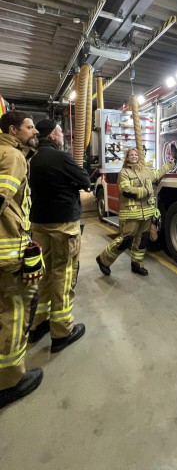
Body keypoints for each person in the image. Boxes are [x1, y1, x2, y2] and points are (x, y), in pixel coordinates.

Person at [28, 119, 91, 353]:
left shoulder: (31, 158)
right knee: (63, 273)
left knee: (42, 274)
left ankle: (39, 324)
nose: (63, 135)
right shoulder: (61, 158)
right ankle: (62, 332)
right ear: (53, 136)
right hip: (63, 223)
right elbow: (85, 181)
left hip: (38, 223)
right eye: (60, 132)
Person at [0, 111, 43, 409]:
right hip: (7, 252)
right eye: (29, 127)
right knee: (14, 312)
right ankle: (10, 380)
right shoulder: (13, 157)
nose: (33, 131)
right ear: (14, 130)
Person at [96, 147, 174, 277]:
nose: (134, 156)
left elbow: (158, 173)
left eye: (136, 154)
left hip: (146, 214)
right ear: (127, 158)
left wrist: (170, 164)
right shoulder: (124, 173)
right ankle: (103, 260)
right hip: (131, 214)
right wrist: (146, 191)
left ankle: (137, 264)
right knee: (125, 240)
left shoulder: (145, 171)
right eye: (131, 155)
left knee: (142, 240)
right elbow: (126, 190)